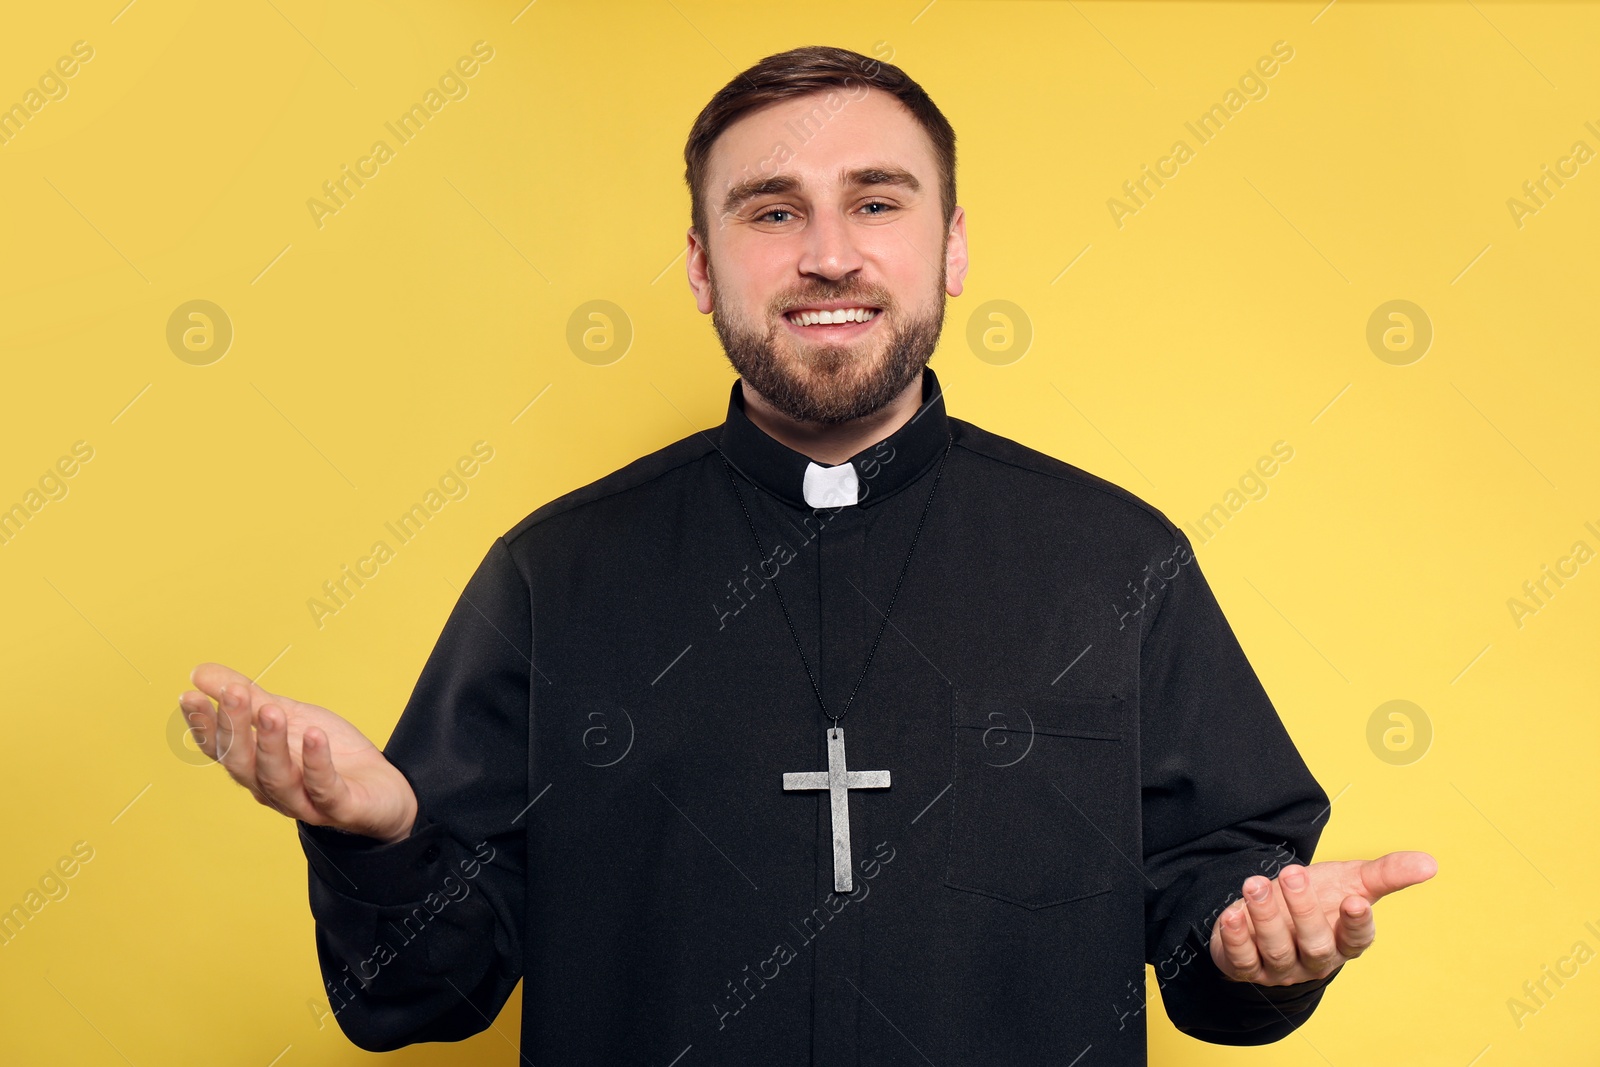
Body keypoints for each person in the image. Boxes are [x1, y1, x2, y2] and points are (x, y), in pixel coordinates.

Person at [179, 45, 1436, 1064]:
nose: (827, 252)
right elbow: (423, 1000)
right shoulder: (550, 575)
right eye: (771, 212)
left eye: (875, 202)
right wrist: (384, 834)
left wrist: (1251, 941)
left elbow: (1212, 925)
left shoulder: (1116, 558)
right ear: (699, 264)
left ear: (949, 245)